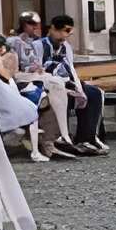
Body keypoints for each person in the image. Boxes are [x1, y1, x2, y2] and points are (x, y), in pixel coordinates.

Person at [0, 34, 58, 163]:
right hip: (4, 98)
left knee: (32, 104)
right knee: (31, 111)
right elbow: (6, 76)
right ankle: (35, 152)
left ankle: (33, 147)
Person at [43, 15, 107, 154]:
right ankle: (61, 138)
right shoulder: (40, 45)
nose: (63, 36)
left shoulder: (66, 47)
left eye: (67, 32)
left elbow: (70, 67)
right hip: (49, 85)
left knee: (94, 93)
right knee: (61, 95)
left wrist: (78, 87)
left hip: (68, 82)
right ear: (52, 28)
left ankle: (87, 138)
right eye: (62, 31)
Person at [10, 11, 74, 150]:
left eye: (37, 24)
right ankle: (53, 139)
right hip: (20, 80)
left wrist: (38, 69)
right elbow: (14, 68)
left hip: (36, 77)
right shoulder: (14, 41)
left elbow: (36, 64)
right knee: (51, 90)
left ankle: (61, 135)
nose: (35, 27)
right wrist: (32, 70)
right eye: (31, 24)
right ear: (23, 25)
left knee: (57, 86)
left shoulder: (34, 41)